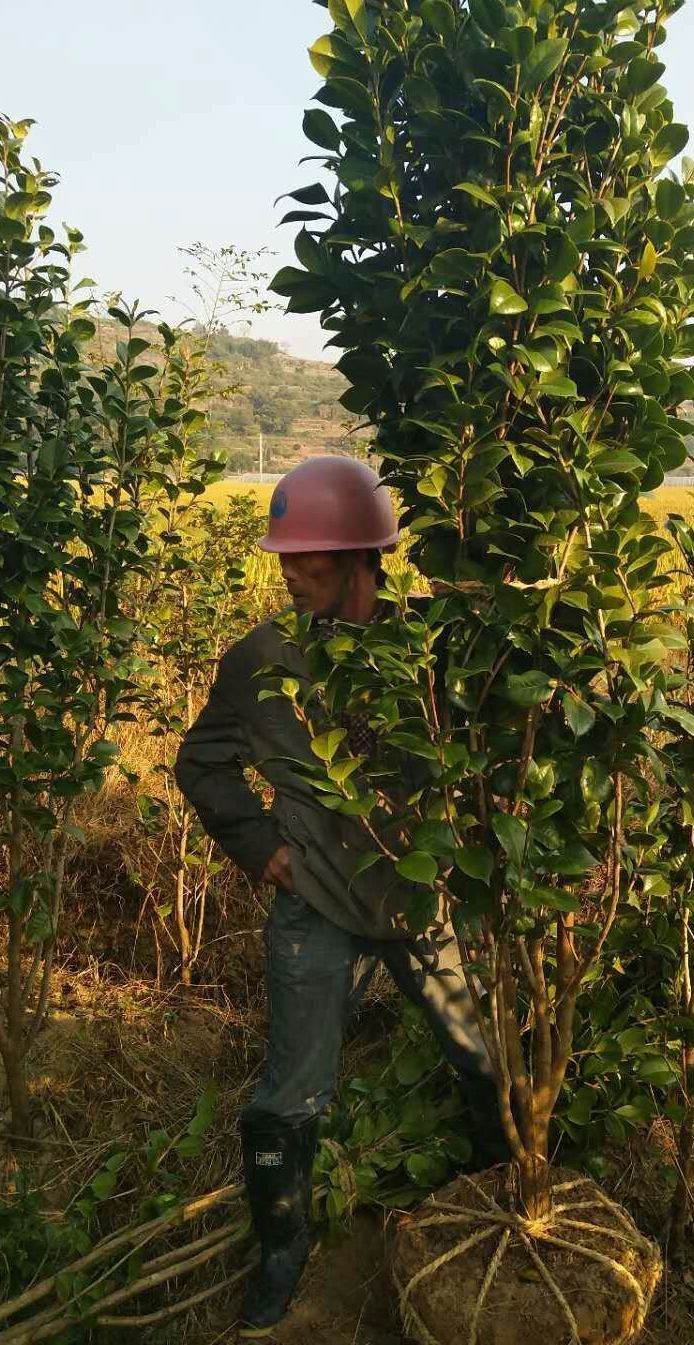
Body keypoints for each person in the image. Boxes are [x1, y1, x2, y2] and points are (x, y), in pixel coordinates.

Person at [175, 456, 503, 1339]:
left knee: (477, 1056)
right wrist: (262, 850)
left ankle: (502, 1199)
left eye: (308, 558)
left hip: (416, 900)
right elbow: (200, 762)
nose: (288, 572)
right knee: (290, 1098)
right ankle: (281, 1254)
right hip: (313, 905)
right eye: (284, 556)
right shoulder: (263, 660)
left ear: (362, 557)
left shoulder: (433, 649)